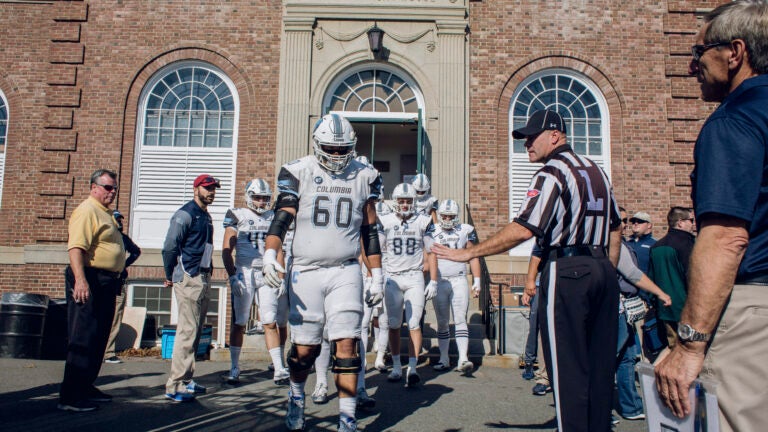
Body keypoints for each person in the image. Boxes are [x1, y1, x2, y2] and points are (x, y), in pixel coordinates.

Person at [433, 109, 622, 432]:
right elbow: (616, 228)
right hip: (603, 267)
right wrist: (606, 269)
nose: (527, 145)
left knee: (567, 370)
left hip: (567, 269)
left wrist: (469, 253)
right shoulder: (596, 170)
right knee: (600, 368)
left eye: (532, 137)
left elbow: (524, 229)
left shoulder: (552, 173)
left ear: (555, 135)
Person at [655, 3, 768, 431]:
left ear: (735, 53)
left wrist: (689, 345)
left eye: (698, 51)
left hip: (752, 310)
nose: (691, 66)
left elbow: (725, 238)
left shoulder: (735, 121)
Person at [261, 113, 384, 432]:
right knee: (305, 350)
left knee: (347, 343)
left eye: (343, 149)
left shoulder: (365, 174)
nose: (337, 155)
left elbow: (369, 230)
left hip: (345, 270)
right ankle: (297, 396)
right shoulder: (298, 170)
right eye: (331, 148)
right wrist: (271, 252)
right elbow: (282, 216)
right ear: (317, 145)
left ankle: (347, 418)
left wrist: (377, 274)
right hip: (306, 270)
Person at [59, 169, 126, 412]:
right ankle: (70, 397)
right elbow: (76, 247)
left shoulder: (105, 213)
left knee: (99, 337)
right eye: (107, 188)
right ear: (93, 187)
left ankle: (86, 386)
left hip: (106, 281)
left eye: (114, 188)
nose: (112, 192)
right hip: (90, 278)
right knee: (84, 337)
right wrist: (80, 280)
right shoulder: (87, 210)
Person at [221, 178, 289, 385]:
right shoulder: (237, 215)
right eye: (257, 197)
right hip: (245, 270)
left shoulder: (273, 216)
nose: (261, 202)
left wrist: (281, 275)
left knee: (270, 321)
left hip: (266, 271)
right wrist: (232, 275)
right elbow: (226, 249)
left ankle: (278, 368)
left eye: (264, 198)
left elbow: (278, 249)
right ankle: (234, 367)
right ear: (249, 197)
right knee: (240, 322)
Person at [161, 173, 219, 402]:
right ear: (196, 189)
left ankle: (186, 379)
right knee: (186, 331)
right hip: (189, 277)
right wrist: (171, 274)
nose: (211, 192)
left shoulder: (205, 216)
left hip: (203, 277)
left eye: (213, 188)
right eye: (207, 188)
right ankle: (174, 385)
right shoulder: (185, 214)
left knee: (194, 332)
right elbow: (169, 247)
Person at [378, 182, 437, 386]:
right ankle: (396, 366)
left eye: (408, 201)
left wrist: (434, 280)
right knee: (394, 324)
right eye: (401, 201)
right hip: (392, 277)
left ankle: (412, 368)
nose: (404, 205)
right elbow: (375, 250)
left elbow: (432, 251)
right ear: (395, 202)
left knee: (413, 323)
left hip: (414, 276)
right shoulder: (384, 220)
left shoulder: (424, 220)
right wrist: (374, 278)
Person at [425, 199, 481, 374]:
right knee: (442, 322)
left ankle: (463, 358)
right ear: (439, 215)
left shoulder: (465, 230)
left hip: (458, 279)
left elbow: (473, 254)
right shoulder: (431, 230)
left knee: (460, 318)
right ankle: (444, 358)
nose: (448, 219)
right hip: (440, 280)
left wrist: (477, 279)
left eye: (451, 216)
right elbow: (426, 255)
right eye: (444, 215)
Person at [647, 207, 696, 348]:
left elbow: (651, 280)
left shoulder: (656, 246)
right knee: (691, 352)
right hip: (688, 311)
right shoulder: (688, 244)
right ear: (680, 222)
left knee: (673, 350)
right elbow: (693, 277)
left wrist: (656, 303)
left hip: (665, 310)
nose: (693, 224)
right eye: (691, 220)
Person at [103, 210, 141, 364]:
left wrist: (123, 265)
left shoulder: (124, 239)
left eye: (121, 220)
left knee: (115, 317)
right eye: (117, 219)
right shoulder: (106, 237)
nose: (120, 223)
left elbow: (136, 252)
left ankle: (108, 352)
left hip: (118, 282)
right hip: (103, 281)